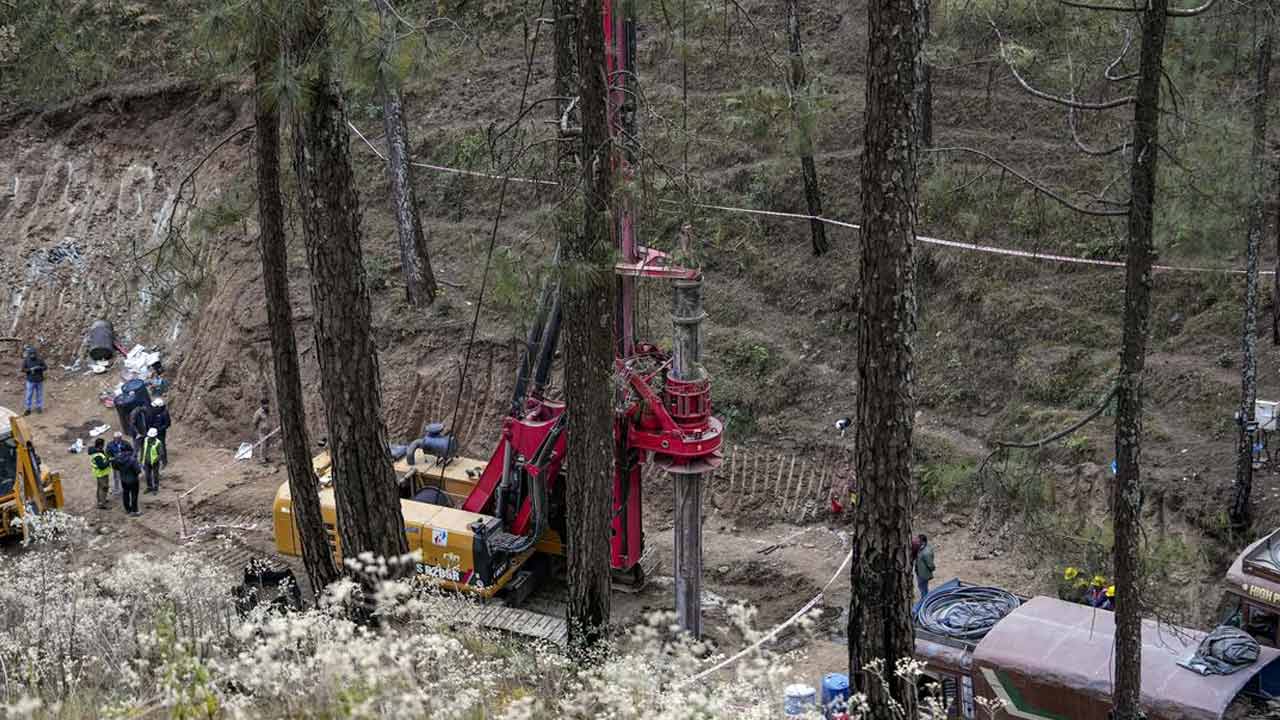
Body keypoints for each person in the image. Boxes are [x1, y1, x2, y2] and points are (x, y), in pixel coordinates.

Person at [112, 444, 142, 517]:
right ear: (129, 450)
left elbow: (114, 467)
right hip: (133, 480)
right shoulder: (132, 459)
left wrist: (121, 470)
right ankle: (134, 511)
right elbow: (138, 470)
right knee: (134, 495)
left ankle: (127, 509)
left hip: (123, 479)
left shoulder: (117, 458)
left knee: (125, 494)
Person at [21, 346, 46, 416]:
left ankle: (39, 407)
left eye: (34, 353)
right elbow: (22, 369)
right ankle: (28, 409)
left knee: (39, 395)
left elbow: (45, 367)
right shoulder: (26, 360)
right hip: (30, 381)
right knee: (29, 395)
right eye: (31, 354)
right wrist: (30, 370)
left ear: (36, 353)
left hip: (39, 380)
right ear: (29, 354)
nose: (32, 355)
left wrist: (39, 368)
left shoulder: (40, 359)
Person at [89, 438, 112, 509]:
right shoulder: (97, 455)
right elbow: (102, 466)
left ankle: (100, 500)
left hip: (99, 473)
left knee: (99, 488)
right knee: (104, 488)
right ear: (100, 445)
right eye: (103, 444)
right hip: (101, 474)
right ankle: (102, 504)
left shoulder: (97, 451)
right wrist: (109, 461)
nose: (103, 446)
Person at [106, 432, 129, 497]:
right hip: (115, 464)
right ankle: (117, 489)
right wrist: (112, 458)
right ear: (114, 438)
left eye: (119, 438)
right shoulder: (110, 444)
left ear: (121, 438)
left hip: (124, 463)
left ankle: (126, 488)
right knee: (116, 477)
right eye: (116, 438)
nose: (117, 439)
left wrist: (124, 455)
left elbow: (130, 451)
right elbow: (107, 453)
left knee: (125, 476)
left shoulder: (125, 443)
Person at [914, 534, 935, 603]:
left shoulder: (926, 552)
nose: (917, 542)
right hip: (920, 572)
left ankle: (925, 601)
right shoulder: (921, 549)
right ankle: (925, 599)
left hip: (923, 574)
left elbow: (930, 565)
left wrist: (932, 569)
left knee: (923, 588)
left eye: (918, 541)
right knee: (921, 587)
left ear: (923, 542)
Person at [141, 427, 163, 494]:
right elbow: (143, 449)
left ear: (155, 436)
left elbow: (160, 454)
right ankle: (149, 487)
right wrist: (141, 459)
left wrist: (155, 460)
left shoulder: (158, 443)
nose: (151, 437)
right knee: (147, 475)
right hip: (146, 461)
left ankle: (155, 488)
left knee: (155, 475)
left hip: (155, 463)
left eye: (152, 436)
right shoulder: (146, 439)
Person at [150, 398, 171, 467]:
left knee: (162, 446)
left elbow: (167, 424)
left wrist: (159, 429)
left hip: (161, 433)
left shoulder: (164, 413)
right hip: (153, 431)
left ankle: (164, 461)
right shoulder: (153, 411)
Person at [252, 396, 272, 465]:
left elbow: (269, 419)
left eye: (267, 404)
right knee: (263, 445)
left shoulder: (268, 411)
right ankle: (262, 459)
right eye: (265, 404)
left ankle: (266, 457)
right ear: (262, 404)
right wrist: (256, 429)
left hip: (268, 430)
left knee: (268, 444)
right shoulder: (258, 412)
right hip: (262, 431)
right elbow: (254, 422)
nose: (266, 405)